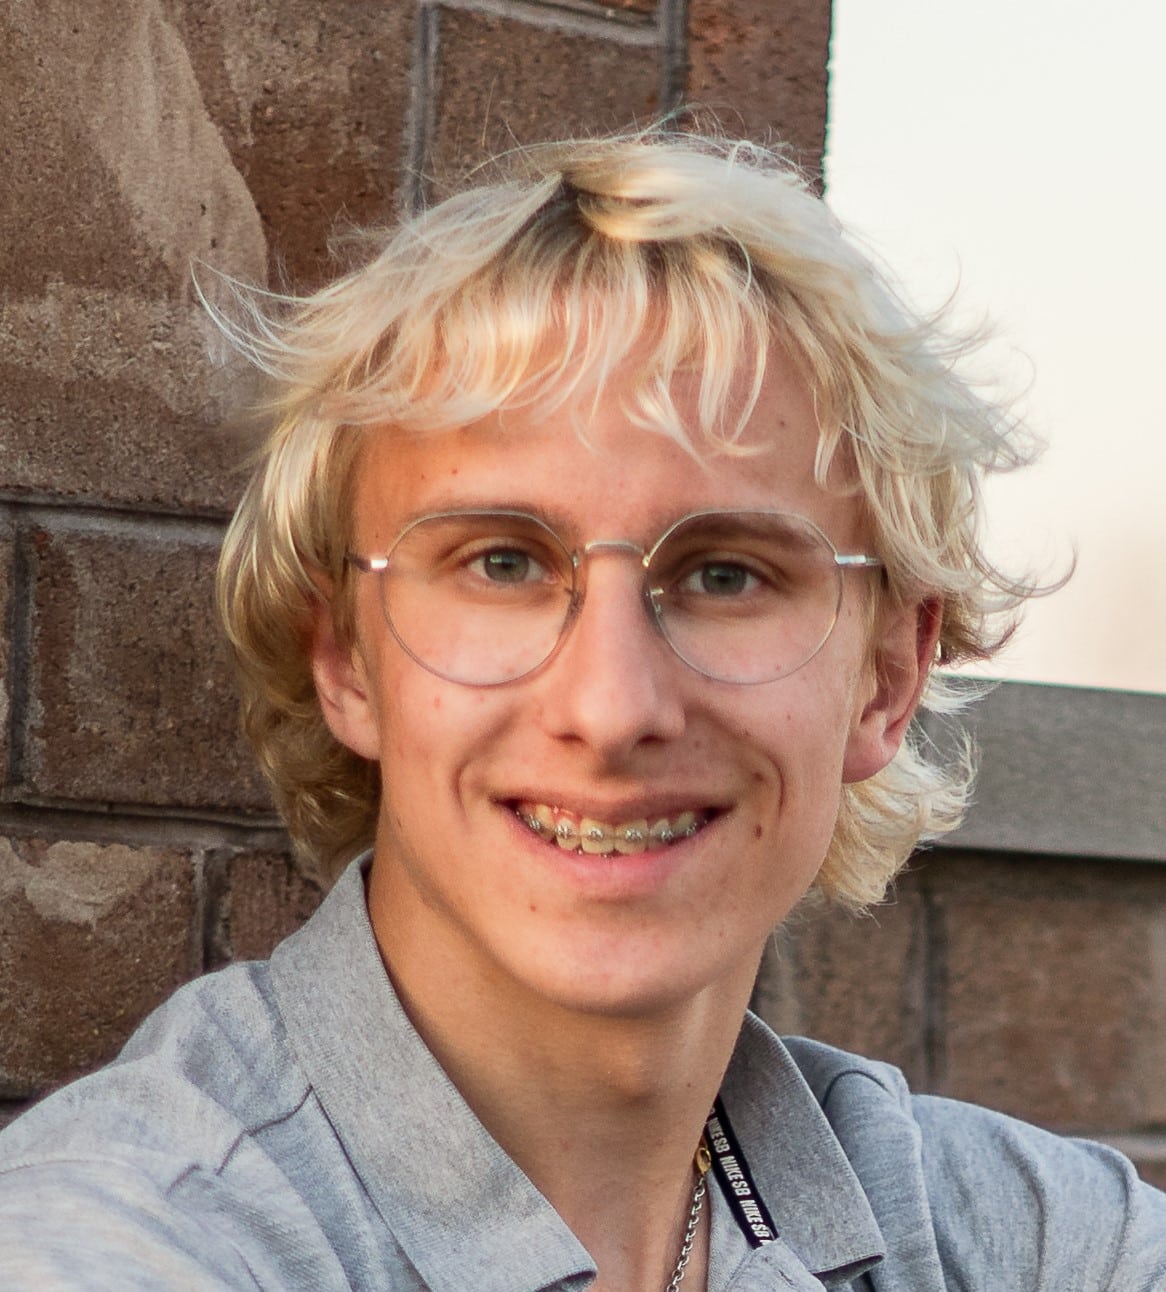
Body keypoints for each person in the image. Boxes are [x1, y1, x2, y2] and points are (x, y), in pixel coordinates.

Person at [0, 126, 1163, 1291]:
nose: (610, 707)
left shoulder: (1051, 1244)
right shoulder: (126, 1241)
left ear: (888, 675)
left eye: (725, 574)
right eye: (502, 563)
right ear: (344, 654)